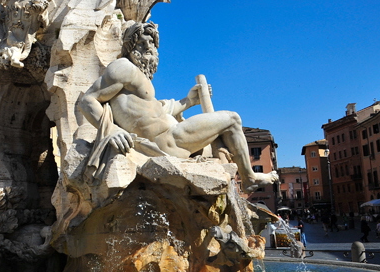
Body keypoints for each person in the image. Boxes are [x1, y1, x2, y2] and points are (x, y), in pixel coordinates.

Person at [78, 22, 278, 191]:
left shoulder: (138, 79)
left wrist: (188, 101)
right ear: (131, 46)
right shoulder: (123, 68)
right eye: (141, 42)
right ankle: (249, 176)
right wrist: (111, 130)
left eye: (152, 43)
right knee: (233, 119)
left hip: (173, 139)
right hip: (170, 140)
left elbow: (155, 112)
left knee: (216, 151)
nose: (148, 46)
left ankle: (239, 176)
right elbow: (88, 101)